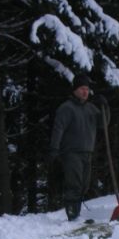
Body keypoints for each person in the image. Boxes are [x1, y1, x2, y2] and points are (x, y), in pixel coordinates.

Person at [49, 74, 108, 221]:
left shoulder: (91, 109)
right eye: (82, 88)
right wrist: (54, 148)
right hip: (71, 152)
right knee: (74, 184)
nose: (85, 92)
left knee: (84, 185)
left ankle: (75, 213)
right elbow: (58, 128)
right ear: (75, 90)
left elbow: (104, 123)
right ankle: (72, 215)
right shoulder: (67, 108)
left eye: (87, 89)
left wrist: (105, 107)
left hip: (87, 152)